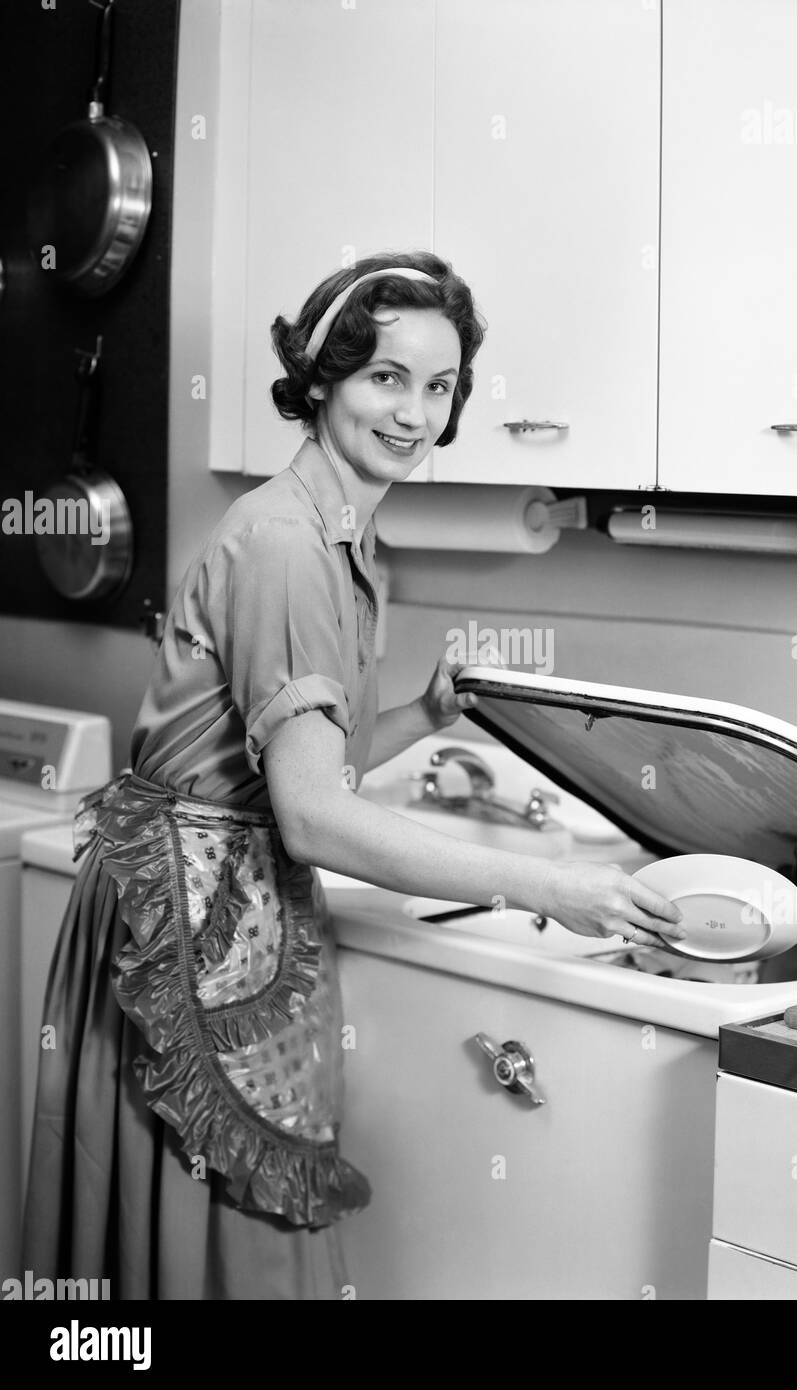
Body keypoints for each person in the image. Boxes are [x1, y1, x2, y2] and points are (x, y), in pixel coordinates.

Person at [21, 251, 684, 1300]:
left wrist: (424, 711)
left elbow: (296, 760)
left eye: (440, 385)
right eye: (386, 377)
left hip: (206, 907)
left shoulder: (342, 531)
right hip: (193, 927)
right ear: (323, 376)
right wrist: (553, 885)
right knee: (228, 1249)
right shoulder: (287, 543)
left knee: (178, 1251)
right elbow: (315, 816)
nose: (415, 412)